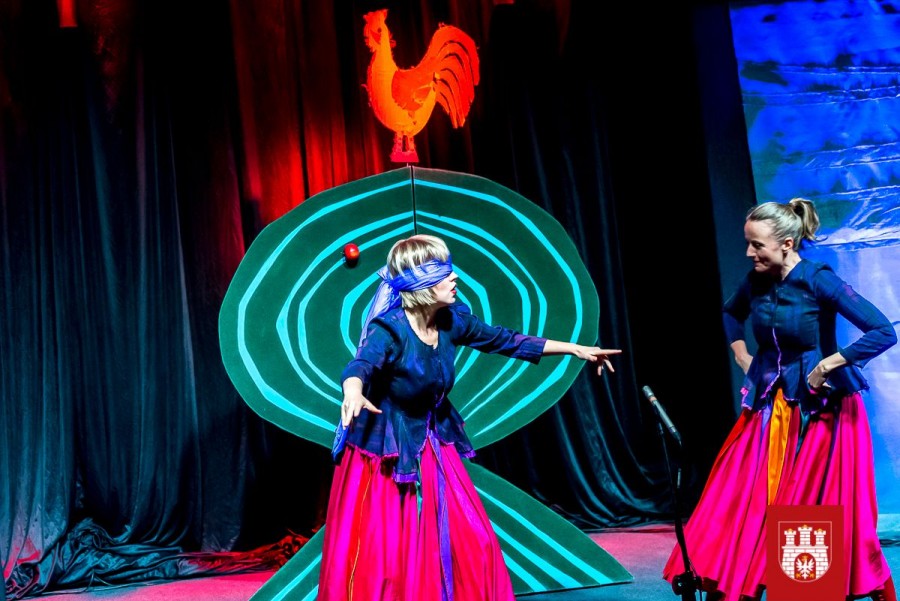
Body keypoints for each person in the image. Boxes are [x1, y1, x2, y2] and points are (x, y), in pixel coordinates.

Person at [316, 234, 621, 601]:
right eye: (444, 272)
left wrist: (575, 349)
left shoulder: (451, 320)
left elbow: (505, 340)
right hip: (388, 448)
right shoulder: (390, 329)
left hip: (431, 436)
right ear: (422, 284)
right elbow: (361, 364)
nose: (454, 277)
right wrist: (352, 390)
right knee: (388, 555)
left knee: (473, 538)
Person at [662, 198, 898, 601]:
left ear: (787, 243)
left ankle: (805, 590)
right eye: (748, 243)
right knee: (742, 495)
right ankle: (744, 579)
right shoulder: (756, 281)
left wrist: (829, 364)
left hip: (819, 411)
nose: (749, 253)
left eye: (757, 245)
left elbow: (882, 331)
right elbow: (731, 313)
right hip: (770, 408)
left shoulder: (818, 279)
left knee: (807, 503)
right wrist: (742, 355)